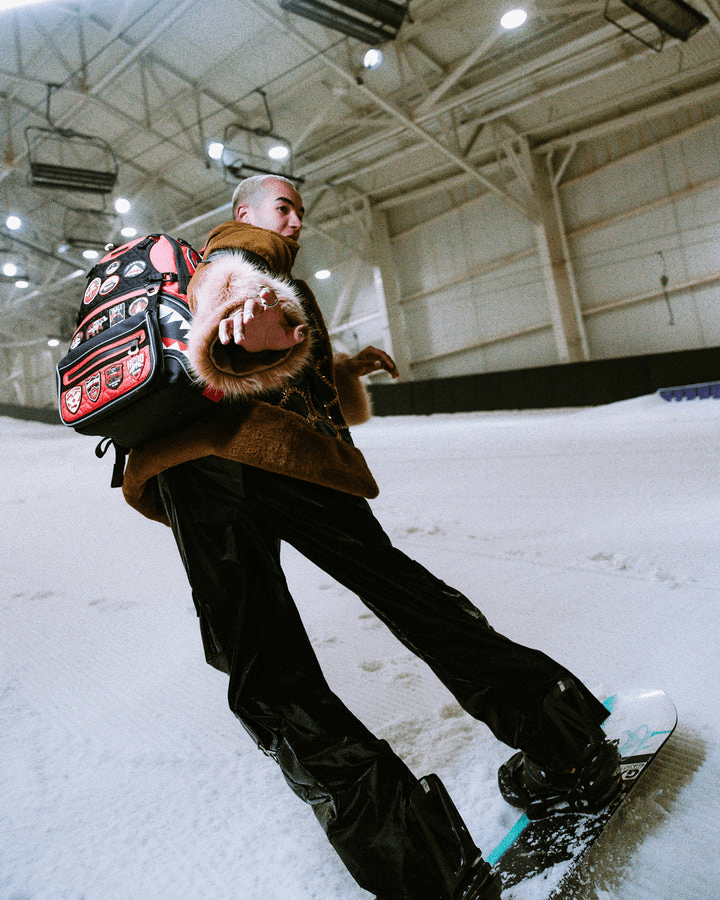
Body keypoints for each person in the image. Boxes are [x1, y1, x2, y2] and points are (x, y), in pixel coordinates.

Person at [121, 175, 621, 900]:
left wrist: (340, 364)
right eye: (282, 206)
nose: (293, 222)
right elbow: (233, 285)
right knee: (408, 600)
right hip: (262, 458)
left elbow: (274, 346)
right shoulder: (237, 250)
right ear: (243, 213)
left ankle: (422, 872)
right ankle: (565, 747)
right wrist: (236, 318)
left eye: (299, 209)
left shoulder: (269, 275)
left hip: (204, 472)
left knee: (268, 674)